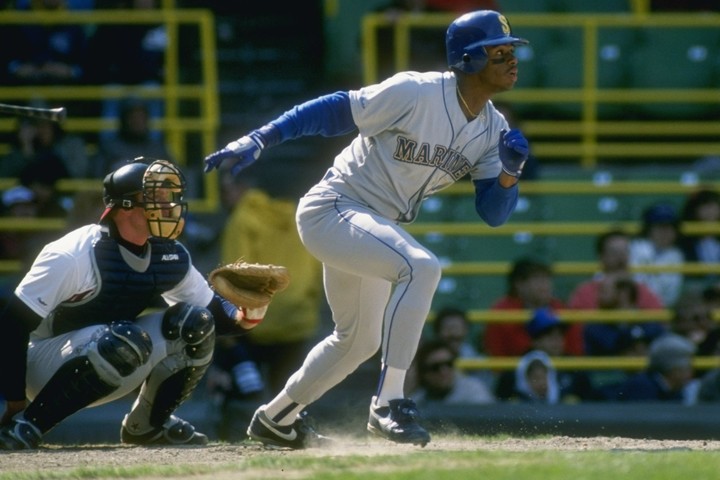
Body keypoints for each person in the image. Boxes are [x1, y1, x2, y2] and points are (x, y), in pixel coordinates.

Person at [203, 9, 531, 448]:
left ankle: (276, 418)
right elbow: (337, 109)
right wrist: (262, 137)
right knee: (421, 266)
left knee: (356, 342)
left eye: (512, 52)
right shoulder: (417, 91)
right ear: (469, 59)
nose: (512, 61)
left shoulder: (495, 130)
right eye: (500, 52)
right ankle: (388, 404)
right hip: (334, 209)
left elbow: (493, 213)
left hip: (374, 226)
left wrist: (509, 173)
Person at [0, 158, 273, 450]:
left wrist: (254, 306)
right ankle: (29, 425)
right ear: (125, 206)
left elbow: (215, 318)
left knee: (195, 323)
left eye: (170, 197)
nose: (170, 206)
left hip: (111, 349)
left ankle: (148, 425)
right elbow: (12, 327)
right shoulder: (72, 254)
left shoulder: (169, 254)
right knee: (124, 339)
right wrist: (16, 403)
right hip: (41, 364)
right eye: (158, 197)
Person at [495, 308, 600, 403]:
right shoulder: (516, 369)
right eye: (549, 335)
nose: (557, 340)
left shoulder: (574, 369)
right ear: (535, 340)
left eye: (560, 334)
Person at [485, 257, 583, 356]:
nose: (545, 285)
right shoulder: (503, 313)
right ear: (519, 284)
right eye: (537, 279)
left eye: (547, 278)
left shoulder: (560, 309)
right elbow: (498, 354)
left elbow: (574, 350)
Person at [609, 333, 697, 403]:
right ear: (673, 369)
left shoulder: (676, 391)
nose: (690, 373)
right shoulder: (641, 387)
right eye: (686, 368)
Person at [629, 202, 685, 307]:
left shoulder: (677, 255)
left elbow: (671, 296)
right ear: (649, 229)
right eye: (659, 227)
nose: (665, 232)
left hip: (660, 312)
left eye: (669, 227)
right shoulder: (633, 248)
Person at [409, 339, 495, 406]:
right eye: (435, 367)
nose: (444, 371)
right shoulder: (418, 401)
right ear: (424, 373)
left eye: (448, 364)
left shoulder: (474, 390)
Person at [678, 188, 720, 285]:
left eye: (713, 205)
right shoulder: (685, 242)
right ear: (695, 209)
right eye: (704, 205)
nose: (710, 210)